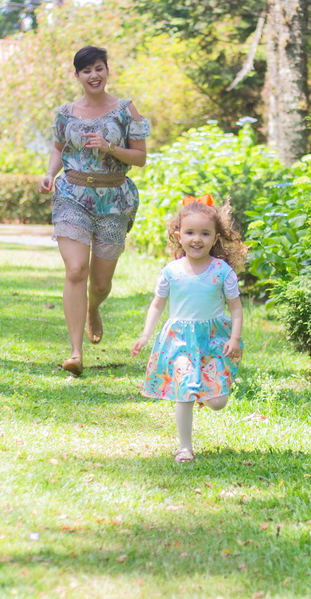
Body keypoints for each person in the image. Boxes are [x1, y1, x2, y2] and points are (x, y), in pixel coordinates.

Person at [37, 46, 150, 376]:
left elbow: (140, 157)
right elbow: (59, 147)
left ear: (107, 71)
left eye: (98, 68)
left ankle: (93, 308)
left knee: (100, 284)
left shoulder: (126, 111)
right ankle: (75, 352)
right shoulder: (66, 113)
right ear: (77, 76)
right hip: (72, 195)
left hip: (114, 200)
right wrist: (49, 173)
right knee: (75, 270)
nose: (94, 75)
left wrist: (110, 147)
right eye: (86, 71)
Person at [131, 196, 246, 463]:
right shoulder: (171, 271)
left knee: (218, 402)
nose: (197, 239)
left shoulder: (222, 271)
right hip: (180, 340)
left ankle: (201, 394)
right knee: (183, 390)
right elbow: (157, 305)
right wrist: (145, 335)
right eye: (190, 232)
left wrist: (235, 338)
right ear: (178, 236)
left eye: (205, 233)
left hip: (213, 341)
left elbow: (236, 308)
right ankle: (185, 447)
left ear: (216, 238)